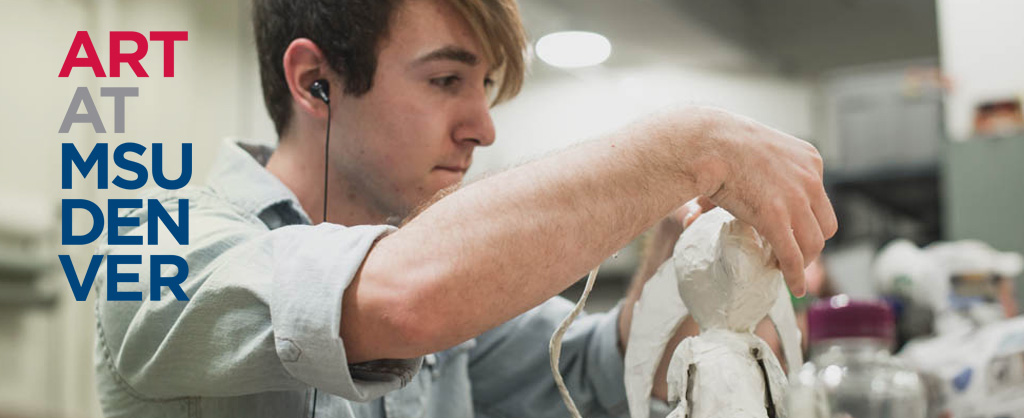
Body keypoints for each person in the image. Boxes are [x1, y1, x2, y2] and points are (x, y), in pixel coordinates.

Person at [92, 0, 837, 417]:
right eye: (447, 81)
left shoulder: (425, 250)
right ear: (316, 82)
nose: (483, 126)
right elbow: (403, 299)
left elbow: (604, 368)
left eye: (483, 87)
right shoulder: (160, 248)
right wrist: (687, 145)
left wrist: (674, 261)